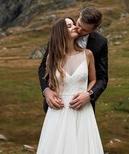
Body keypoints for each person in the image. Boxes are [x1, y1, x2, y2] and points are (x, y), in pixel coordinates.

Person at [35, 17, 104, 154]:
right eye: (69, 25)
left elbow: (95, 79)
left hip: (81, 108)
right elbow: (44, 73)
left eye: (73, 24)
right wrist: (47, 91)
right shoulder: (52, 56)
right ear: (60, 32)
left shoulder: (88, 54)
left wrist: (87, 94)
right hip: (59, 109)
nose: (74, 27)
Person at [39, 7, 109, 113]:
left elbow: (102, 78)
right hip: (56, 104)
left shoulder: (100, 43)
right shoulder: (59, 38)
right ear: (79, 16)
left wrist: (89, 94)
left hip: (82, 106)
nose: (79, 30)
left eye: (84, 30)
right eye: (79, 24)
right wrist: (46, 91)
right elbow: (43, 68)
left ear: (94, 29)